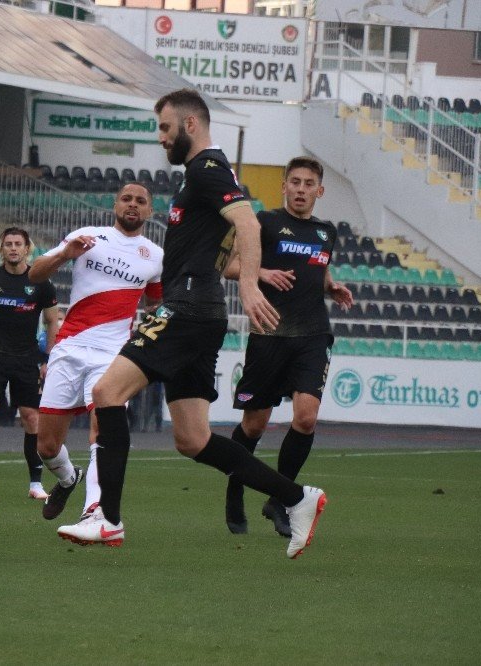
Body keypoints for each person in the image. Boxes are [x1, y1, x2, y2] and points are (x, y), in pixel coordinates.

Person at [56, 89, 327, 559]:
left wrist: (248, 288)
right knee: (193, 439)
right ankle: (296, 497)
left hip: (186, 307)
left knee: (105, 394)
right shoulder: (205, 175)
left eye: (165, 127)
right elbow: (221, 244)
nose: (161, 137)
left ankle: (107, 519)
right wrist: (245, 276)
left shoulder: (206, 168)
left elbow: (246, 223)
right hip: (201, 310)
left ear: (191, 125)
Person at [222, 157, 353, 536]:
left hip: (313, 334)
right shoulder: (264, 223)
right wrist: (260, 272)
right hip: (269, 334)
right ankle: (234, 488)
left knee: (306, 418)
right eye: (294, 181)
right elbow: (229, 265)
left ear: (319, 191)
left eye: (308, 183)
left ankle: (278, 498)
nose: (300, 188)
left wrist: (332, 285)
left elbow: (319, 268)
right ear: (284, 186)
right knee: (254, 424)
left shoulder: (326, 232)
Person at [28, 183, 163, 521]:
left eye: (140, 201)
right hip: (70, 347)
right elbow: (34, 275)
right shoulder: (87, 236)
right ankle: (68, 477)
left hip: (113, 356)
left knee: (101, 431)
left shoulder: (156, 256)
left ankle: (94, 510)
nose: (133, 205)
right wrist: (64, 254)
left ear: (150, 212)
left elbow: (157, 304)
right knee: (45, 445)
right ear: (115, 205)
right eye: (127, 199)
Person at [0, 227, 59, 500]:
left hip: (26, 358)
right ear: (1, 249)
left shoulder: (41, 282)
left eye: (18, 244)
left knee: (32, 419)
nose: (13, 248)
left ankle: (35, 483)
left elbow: (52, 321)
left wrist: (48, 358)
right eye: (8, 244)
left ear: (27, 248)